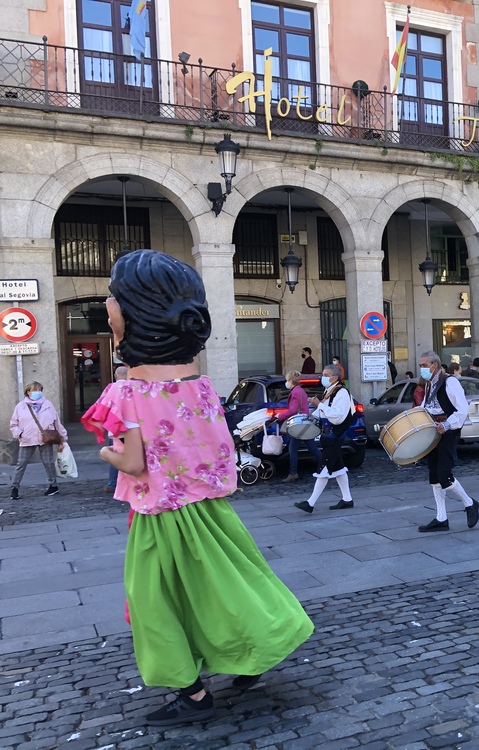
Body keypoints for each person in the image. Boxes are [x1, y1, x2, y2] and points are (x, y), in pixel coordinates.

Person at [81, 250, 313, 726]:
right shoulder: (201, 386)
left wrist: (104, 454)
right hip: (209, 511)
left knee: (157, 605)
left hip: (159, 517)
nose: (108, 305)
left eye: (114, 299)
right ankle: (253, 656)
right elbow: (219, 449)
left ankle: (192, 694)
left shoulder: (128, 393)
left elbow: (131, 459)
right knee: (231, 587)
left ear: (132, 318)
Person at [414, 351, 479, 533]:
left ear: (435, 365)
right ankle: (441, 517)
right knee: (434, 475)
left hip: (448, 432)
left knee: (444, 474)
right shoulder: (429, 384)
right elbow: (428, 406)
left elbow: (462, 409)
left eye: (424, 365)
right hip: (433, 432)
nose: (422, 369)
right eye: (420, 365)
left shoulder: (450, 382)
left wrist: (447, 424)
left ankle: (470, 503)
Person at [293, 366, 355, 513]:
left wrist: (318, 404)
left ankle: (310, 503)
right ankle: (347, 499)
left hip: (335, 435)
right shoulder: (330, 391)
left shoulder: (342, 393)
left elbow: (338, 417)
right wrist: (310, 415)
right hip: (329, 435)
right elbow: (323, 411)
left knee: (324, 468)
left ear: (334, 377)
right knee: (339, 468)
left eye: (326, 375)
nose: (323, 377)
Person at [9, 381, 68, 499]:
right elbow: (13, 424)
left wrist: (63, 438)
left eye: (40, 390)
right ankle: (14, 488)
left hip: (45, 438)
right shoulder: (21, 406)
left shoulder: (48, 404)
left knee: (48, 463)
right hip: (27, 439)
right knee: (21, 464)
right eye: (35, 390)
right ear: (28, 392)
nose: (38, 392)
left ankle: (53, 486)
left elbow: (57, 422)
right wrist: (19, 434)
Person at [278, 370, 323, 483]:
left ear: (290, 381)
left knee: (293, 449)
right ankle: (327, 466)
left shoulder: (295, 392)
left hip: (299, 424)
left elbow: (293, 410)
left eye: (287, 380)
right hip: (304, 423)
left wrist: (280, 416)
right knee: (312, 447)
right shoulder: (300, 391)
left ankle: (293, 473)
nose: (286, 383)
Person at [104, 365, 130, 493]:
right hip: (131, 428)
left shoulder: (110, 388)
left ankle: (112, 484)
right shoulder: (133, 387)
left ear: (115, 376)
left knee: (115, 456)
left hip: (114, 428)